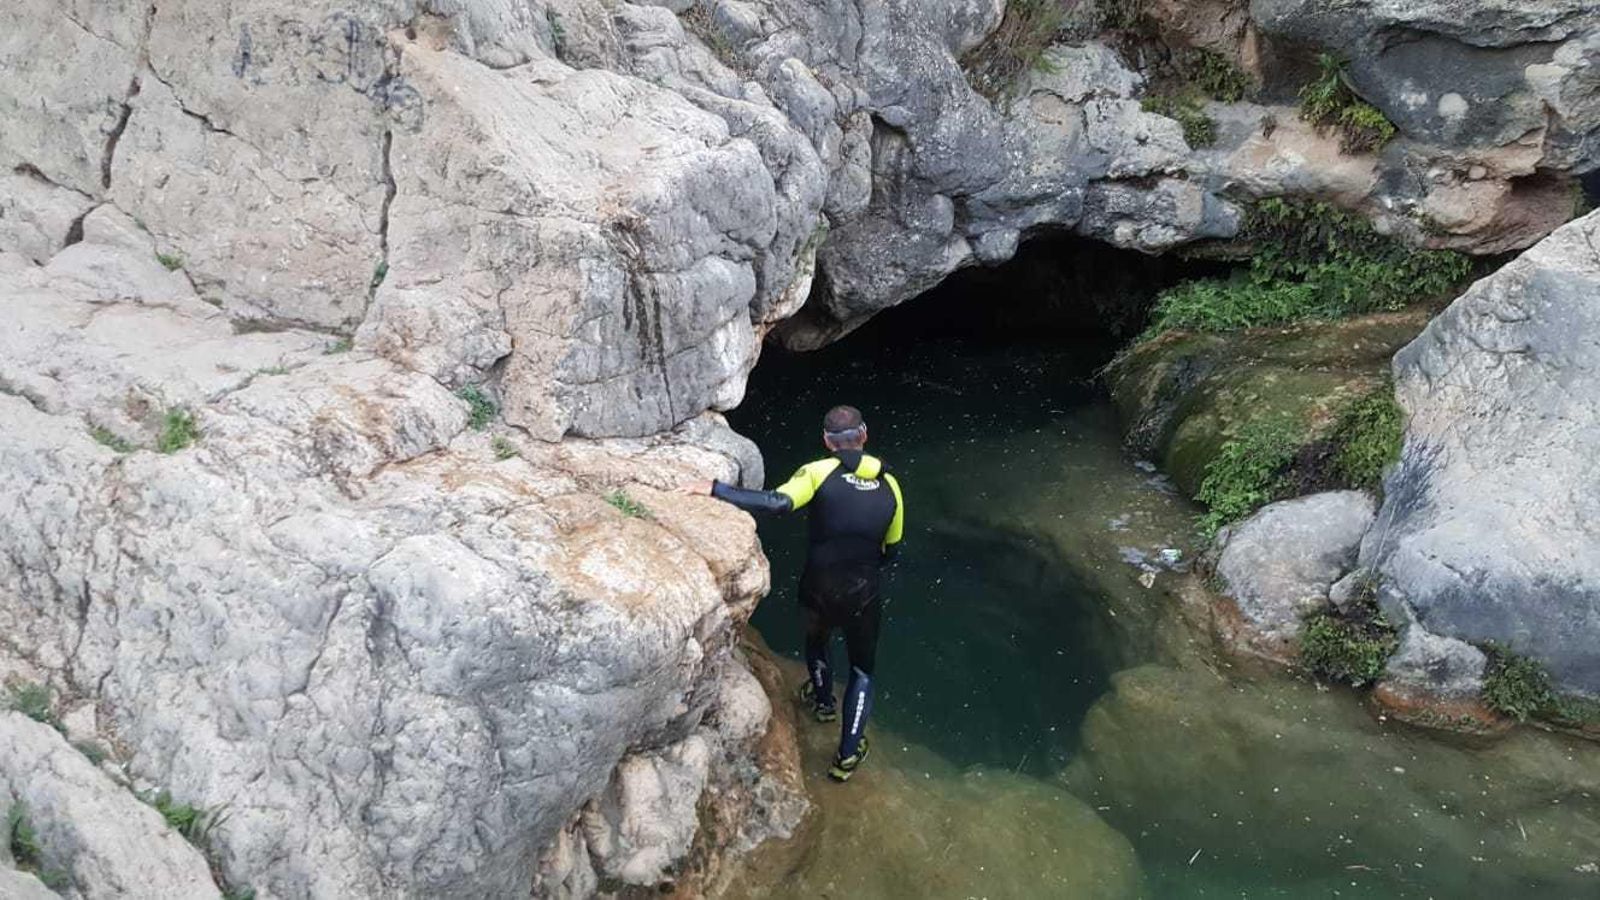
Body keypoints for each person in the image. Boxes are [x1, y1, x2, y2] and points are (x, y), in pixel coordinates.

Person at [682, 405, 904, 781]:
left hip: (819, 585)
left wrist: (716, 489)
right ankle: (848, 755)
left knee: (817, 642)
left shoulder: (818, 472)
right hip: (863, 591)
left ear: (826, 441)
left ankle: (822, 703)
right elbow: (892, 549)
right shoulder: (891, 484)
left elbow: (778, 503)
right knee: (862, 671)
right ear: (864, 436)